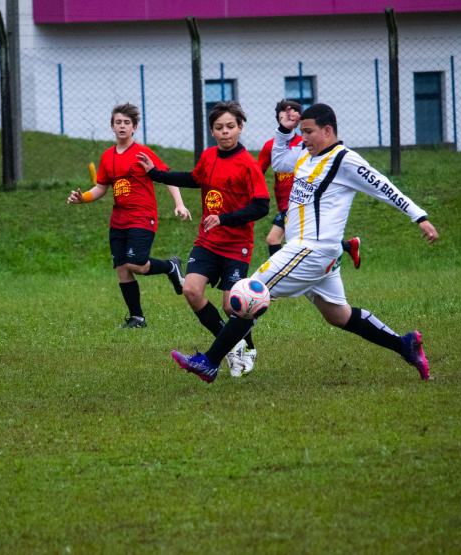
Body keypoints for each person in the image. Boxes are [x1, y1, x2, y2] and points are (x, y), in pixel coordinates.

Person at [170, 102, 438, 383]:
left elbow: (382, 186)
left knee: (252, 292)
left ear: (327, 130)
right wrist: (284, 130)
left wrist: (418, 216)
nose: (304, 137)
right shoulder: (306, 157)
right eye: (301, 131)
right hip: (308, 251)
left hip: (312, 250)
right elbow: (280, 159)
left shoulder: (344, 160)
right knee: (339, 315)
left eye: (308, 132)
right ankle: (405, 345)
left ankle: (209, 363)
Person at [137, 101, 270, 376]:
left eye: (230, 127)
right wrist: (154, 173)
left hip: (236, 245)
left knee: (231, 305)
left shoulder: (248, 164)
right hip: (207, 242)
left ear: (240, 128)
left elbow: (262, 206)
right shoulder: (208, 156)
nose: (225, 132)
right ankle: (231, 344)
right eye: (219, 127)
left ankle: (247, 346)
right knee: (191, 290)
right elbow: (192, 178)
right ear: (212, 131)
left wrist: (224, 218)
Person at [67, 103, 191, 328]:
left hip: (142, 217)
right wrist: (82, 198)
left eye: (127, 123)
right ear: (112, 127)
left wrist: (180, 204)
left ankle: (171, 267)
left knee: (137, 264)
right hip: (119, 220)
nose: (122, 126)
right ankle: (137, 318)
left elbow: (165, 176)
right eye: (118, 122)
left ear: (134, 128)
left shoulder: (142, 153)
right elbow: (101, 188)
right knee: (122, 268)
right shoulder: (107, 156)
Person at [259, 100, 361, 269]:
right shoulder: (272, 145)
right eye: (282, 117)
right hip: (284, 203)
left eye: (292, 117)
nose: (287, 120)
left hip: (300, 202)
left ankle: (277, 274)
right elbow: (258, 171)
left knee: (273, 239)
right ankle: (346, 247)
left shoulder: (307, 144)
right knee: (301, 240)